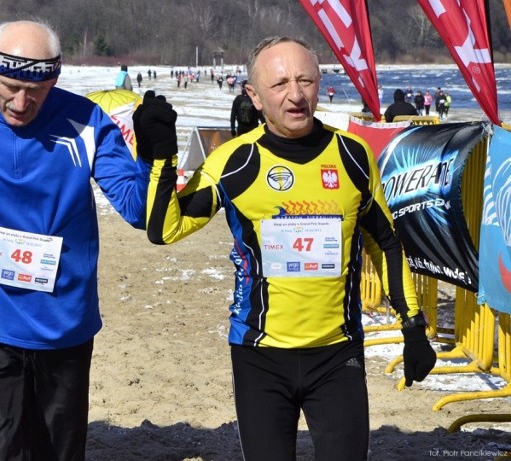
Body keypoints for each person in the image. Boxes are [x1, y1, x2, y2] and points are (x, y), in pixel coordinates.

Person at [135, 36, 436, 461]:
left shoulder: (352, 156)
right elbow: (165, 230)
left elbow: (383, 241)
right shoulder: (234, 161)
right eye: (279, 85)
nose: (295, 95)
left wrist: (412, 325)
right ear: (254, 96)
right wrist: (163, 157)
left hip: (337, 353)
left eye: (305, 80)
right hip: (260, 357)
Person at [0, 20, 151, 460]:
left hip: (63, 325)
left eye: (36, 90)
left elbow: (138, 210)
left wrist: (152, 155)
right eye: (10, 87)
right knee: (1, 453)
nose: (21, 102)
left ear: (54, 78)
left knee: (59, 453)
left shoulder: (87, 122)